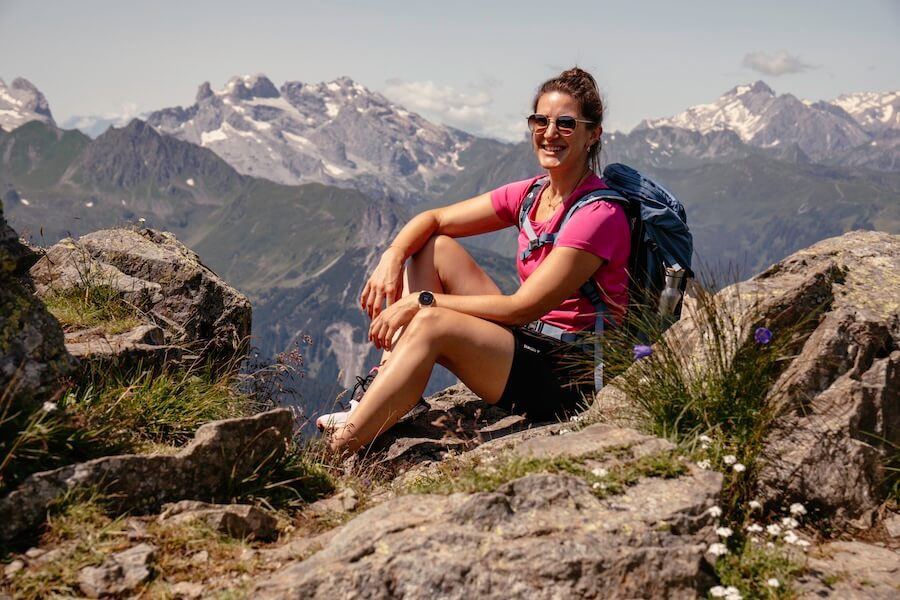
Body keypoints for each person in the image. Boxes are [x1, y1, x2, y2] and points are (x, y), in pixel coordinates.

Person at [326, 67, 631, 454]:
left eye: (566, 124)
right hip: (536, 341)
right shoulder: (533, 194)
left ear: (593, 134)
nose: (550, 133)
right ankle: (383, 385)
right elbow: (434, 220)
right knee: (433, 247)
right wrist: (393, 256)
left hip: (572, 375)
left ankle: (336, 452)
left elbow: (523, 307)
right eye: (541, 120)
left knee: (432, 322)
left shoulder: (597, 214)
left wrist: (421, 301)